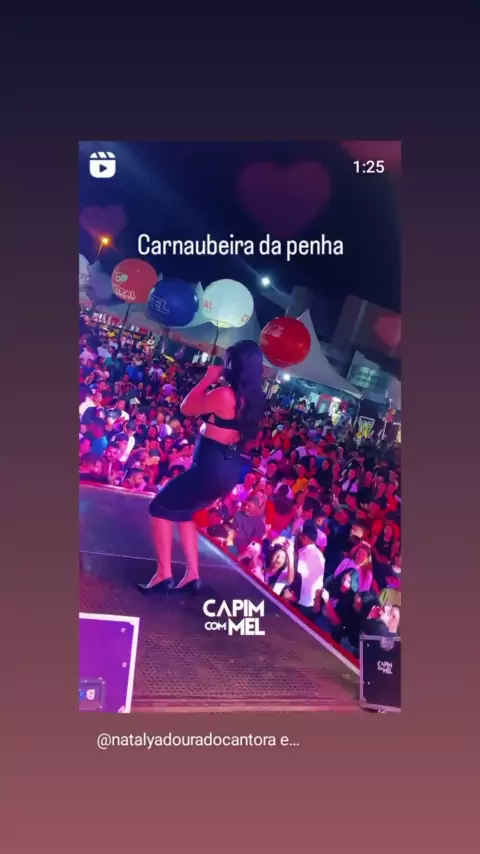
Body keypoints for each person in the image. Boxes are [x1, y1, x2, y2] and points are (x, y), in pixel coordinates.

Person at [138, 340, 265, 594]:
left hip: (210, 466)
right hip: (229, 468)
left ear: (234, 365)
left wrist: (208, 379)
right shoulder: (256, 400)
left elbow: (186, 408)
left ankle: (163, 575)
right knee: (184, 512)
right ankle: (192, 575)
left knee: (159, 507)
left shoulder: (225, 395)